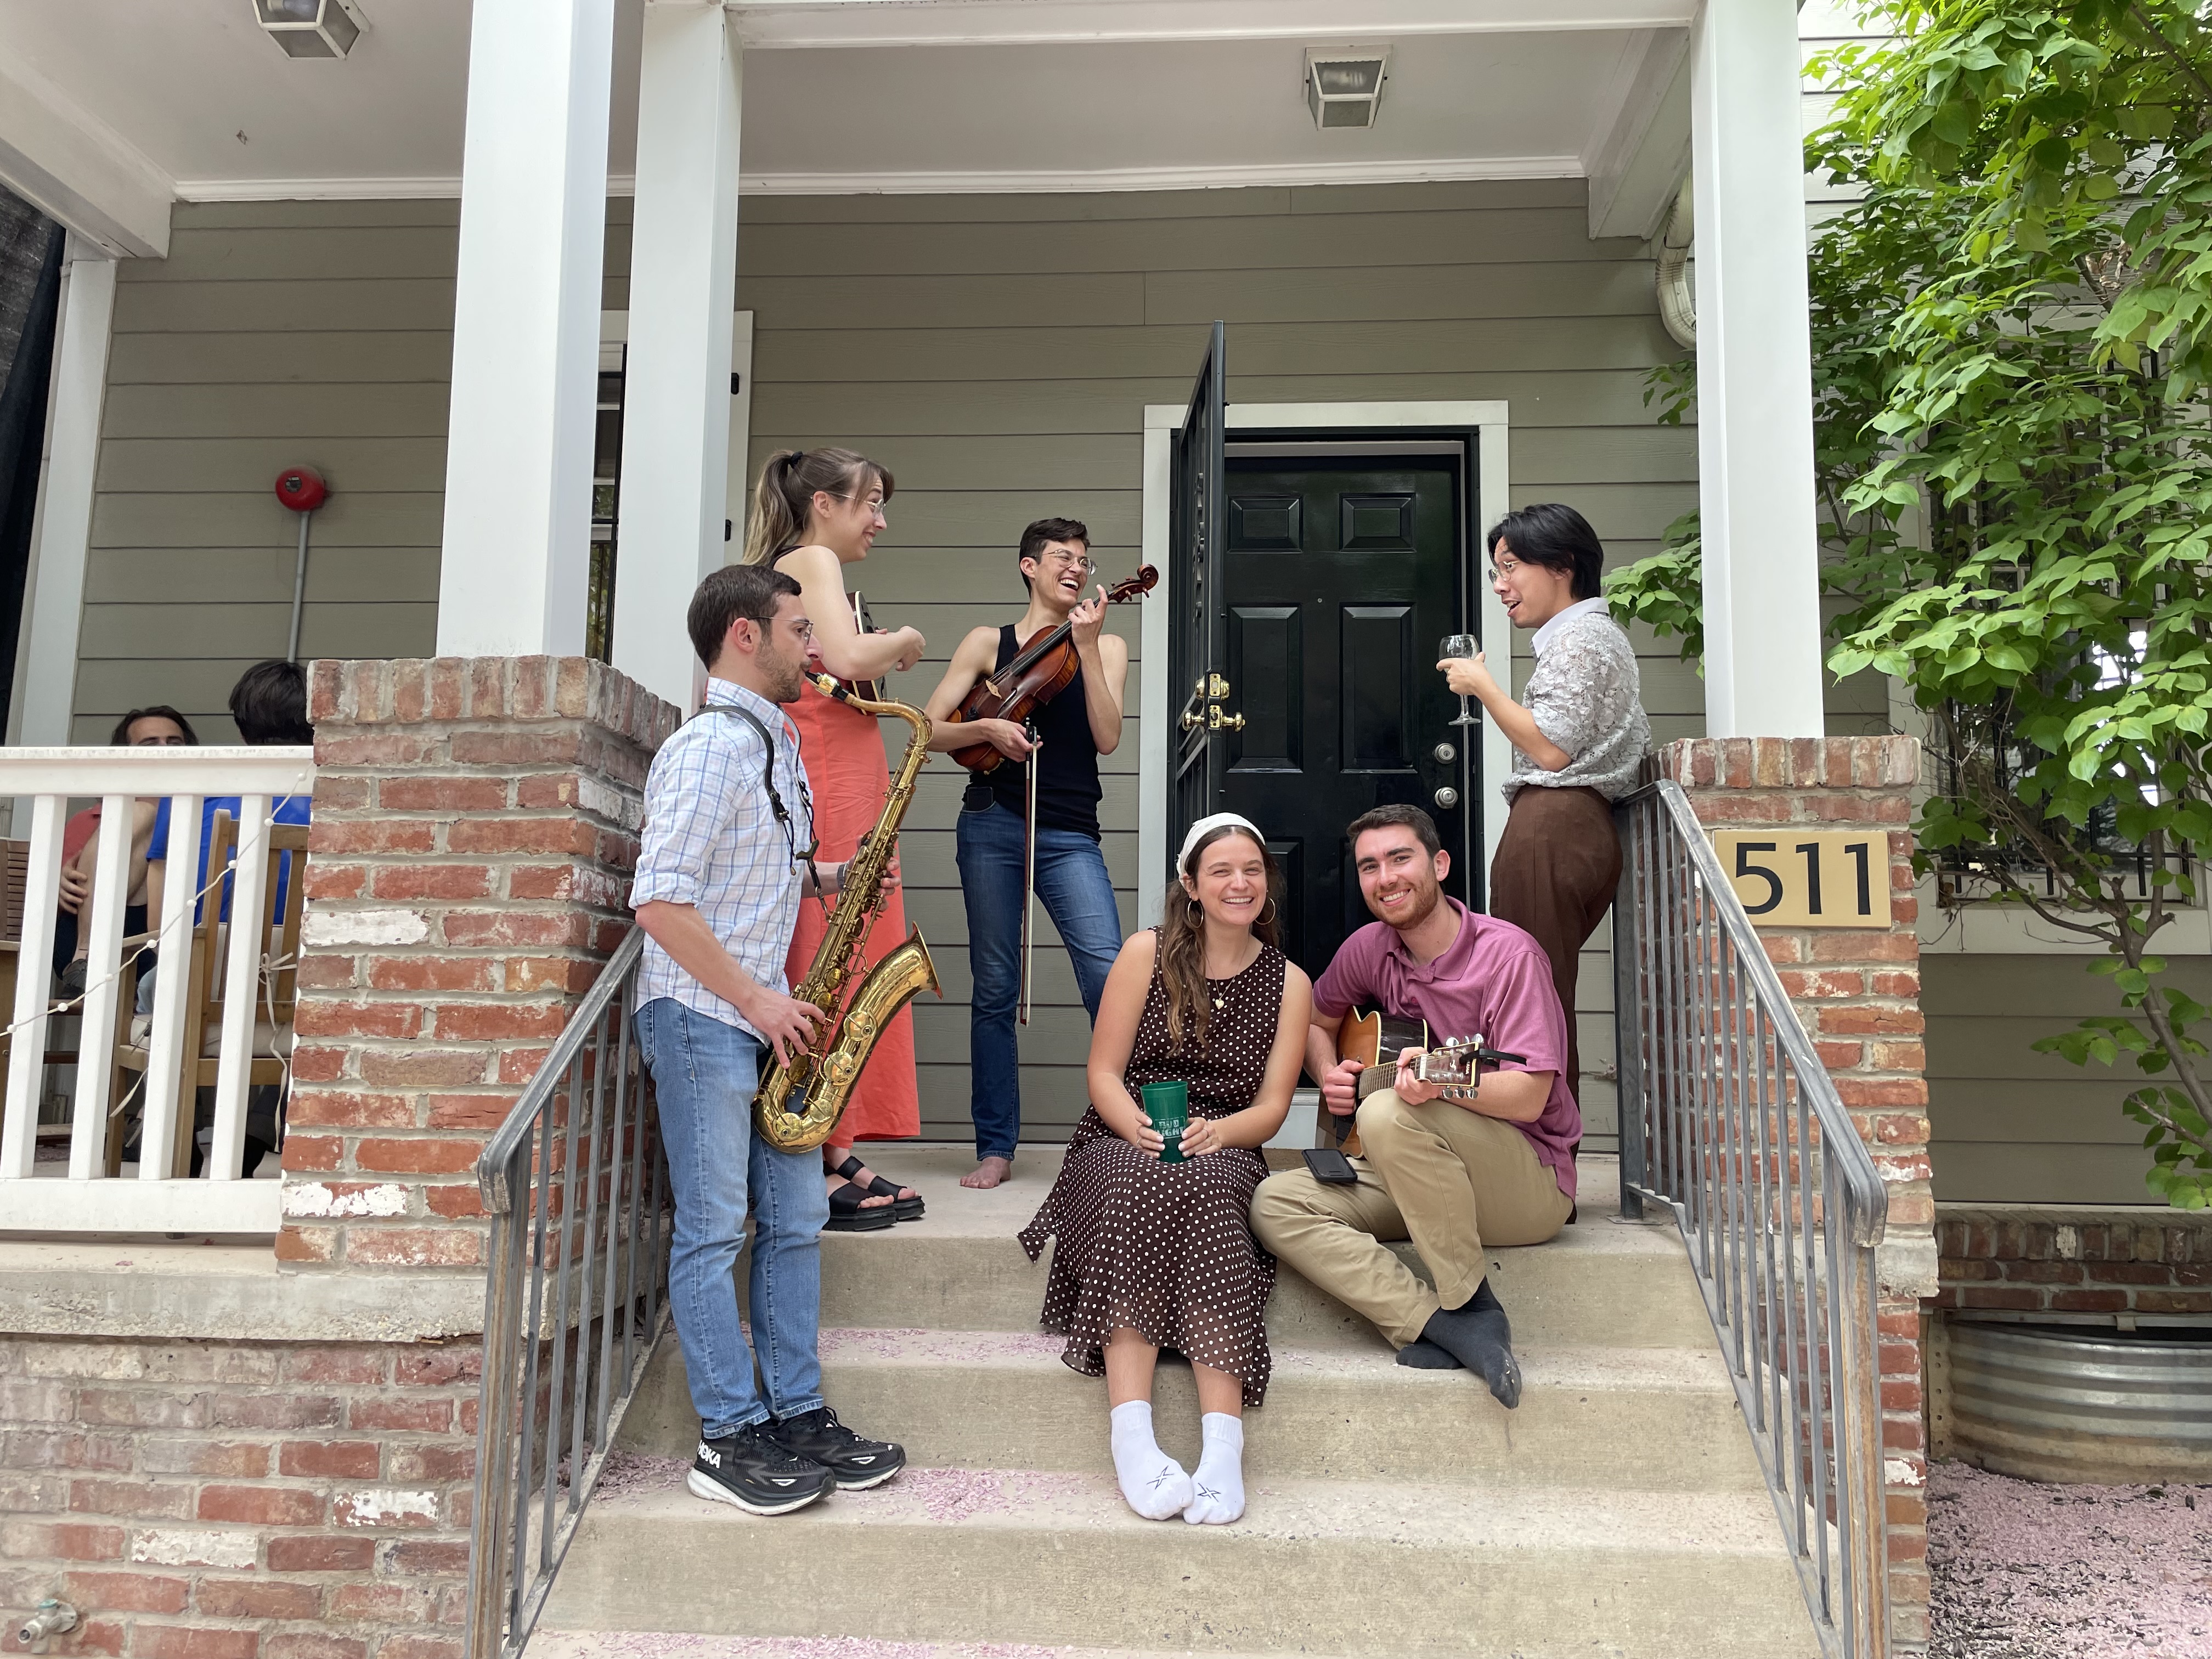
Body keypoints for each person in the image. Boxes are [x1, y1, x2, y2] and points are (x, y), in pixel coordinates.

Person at [631, 562, 906, 1519]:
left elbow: (754, 876)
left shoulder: (775, 741)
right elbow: (659, 902)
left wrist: (839, 875)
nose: (816, 647)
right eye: (799, 629)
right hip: (709, 1014)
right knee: (713, 1228)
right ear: (744, 635)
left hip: (764, 1013)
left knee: (794, 1219)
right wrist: (758, 998)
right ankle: (728, 1432)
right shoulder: (710, 746)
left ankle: (795, 1410)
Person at [1018, 814, 1312, 1527]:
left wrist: (1221, 1133)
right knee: (1140, 1178)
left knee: (1211, 1192)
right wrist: (1142, 1129)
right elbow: (1103, 1073)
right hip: (1124, 1135)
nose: (1239, 882)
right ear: (1191, 884)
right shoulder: (1143, 955)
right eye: (1221, 871)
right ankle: (1132, 1434)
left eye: (1252, 869)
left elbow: (1273, 1107)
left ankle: (1221, 1446)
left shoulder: (1290, 981)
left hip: (1228, 1142)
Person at [1250, 805, 1580, 1412]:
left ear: (1440, 865)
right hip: (1421, 1174)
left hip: (1524, 1184)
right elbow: (1318, 1022)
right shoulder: (1370, 948)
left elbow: (1531, 1095)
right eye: (1369, 866)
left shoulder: (1510, 957)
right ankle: (1437, 1324)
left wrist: (1443, 1086)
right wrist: (1329, 1075)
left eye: (1400, 859)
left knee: (1385, 1115)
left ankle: (1472, 1302)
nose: (1385, 878)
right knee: (1274, 1204)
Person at [744, 447, 930, 1229]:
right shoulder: (812, 558)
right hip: (831, 789)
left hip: (841, 781)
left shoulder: (804, 570)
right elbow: (851, 659)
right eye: (870, 504)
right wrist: (905, 640)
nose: (879, 521)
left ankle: (832, 1142)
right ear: (825, 504)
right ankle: (814, 1152)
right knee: (836, 960)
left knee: (844, 960)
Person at [924, 517, 1130, 1189]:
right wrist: (988, 726)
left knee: (1109, 975)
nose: (1076, 568)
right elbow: (928, 729)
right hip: (992, 821)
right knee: (995, 987)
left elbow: (1106, 738)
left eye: (1083, 560)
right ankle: (995, 1146)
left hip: (1070, 831)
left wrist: (1092, 649)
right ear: (1029, 567)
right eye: (1061, 558)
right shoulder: (990, 642)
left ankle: (1125, 1130)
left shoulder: (1109, 643)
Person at [1437, 503, 1649, 1099]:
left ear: (1562, 564)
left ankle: (1548, 1158)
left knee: (1532, 997)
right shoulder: (1583, 637)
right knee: (1533, 989)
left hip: (1556, 825)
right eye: (1495, 571)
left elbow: (1552, 749)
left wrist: (1483, 688)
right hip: (1563, 826)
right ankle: (1547, 1154)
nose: (1501, 585)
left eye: (1511, 566)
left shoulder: (1581, 640)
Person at [138, 664, 315, 1177]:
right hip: (296, 973)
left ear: (240, 727)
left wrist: (156, 947)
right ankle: (255, 1130)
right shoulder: (339, 792)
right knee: (278, 1012)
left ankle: (173, 1125)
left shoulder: (196, 787)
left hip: (202, 964)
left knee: (156, 991)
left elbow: (161, 887)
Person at [55, 706, 199, 994]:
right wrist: (58, 881)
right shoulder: (89, 821)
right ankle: (86, 959)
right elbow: (61, 895)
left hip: (175, 941)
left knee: (152, 824)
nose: (164, 750)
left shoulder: (205, 814)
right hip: (91, 940)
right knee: (142, 814)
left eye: (174, 743)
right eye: (150, 744)